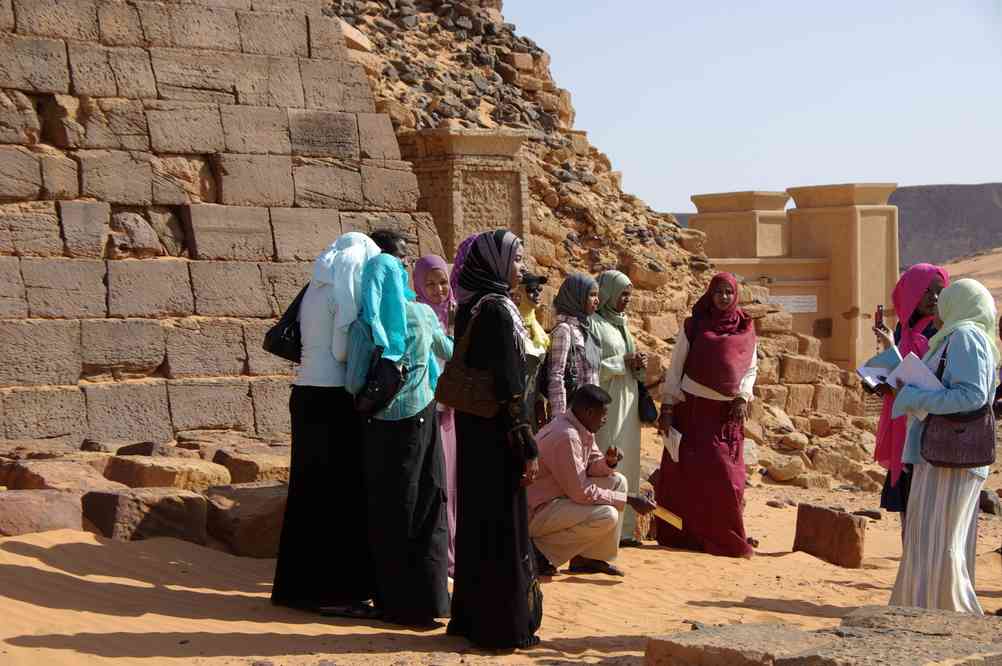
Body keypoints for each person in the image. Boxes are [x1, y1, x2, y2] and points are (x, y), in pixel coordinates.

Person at [272, 232, 381, 618]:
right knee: (339, 499)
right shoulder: (342, 291)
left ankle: (296, 588)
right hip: (334, 398)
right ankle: (336, 593)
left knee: (308, 494)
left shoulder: (313, 289)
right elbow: (341, 350)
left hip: (306, 394)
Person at [447, 229, 543, 650]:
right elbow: (509, 385)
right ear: (497, 263)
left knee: (478, 521)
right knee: (505, 524)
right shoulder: (500, 310)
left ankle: (473, 618)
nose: (521, 267)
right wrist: (525, 444)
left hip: (475, 428)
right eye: (517, 259)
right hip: (499, 432)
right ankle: (503, 627)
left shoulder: (470, 305)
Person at [346, 251, 453, 627]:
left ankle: (394, 601)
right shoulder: (423, 314)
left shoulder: (365, 325)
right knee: (428, 505)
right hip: (423, 419)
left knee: (390, 511)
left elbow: (353, 382)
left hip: (383, 426)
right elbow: (448, 351)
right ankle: (431, 599)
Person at [888, 279, 999, 614]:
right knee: (927, 542)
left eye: (944, 298)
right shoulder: (954, 336)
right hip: (938, 455)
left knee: (939, 544)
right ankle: (922, 613)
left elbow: (972, 396)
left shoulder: (965, 336)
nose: (936, 306)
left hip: (951, 458)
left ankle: (952, 617)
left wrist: (915, 395)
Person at [655, 273, 757, 559]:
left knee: (729, 482)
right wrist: (667, 407)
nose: (723, 297)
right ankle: (682, 536)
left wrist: (742, 396)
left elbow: (751, 368)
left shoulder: (746, 328)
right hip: (694, 411)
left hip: (726, 417)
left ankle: (727, 540)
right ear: (710, 295)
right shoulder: (695, 325)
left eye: (728, 292)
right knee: (686, 480)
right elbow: (676, 368)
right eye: (718, 293)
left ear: (735, 294)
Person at [528, 385, 656, 577]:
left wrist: (608, 463)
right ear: (588, 412)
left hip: (558, 499)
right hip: (536, 512)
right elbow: (581, 492)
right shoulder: (567, 436)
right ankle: (539, 553)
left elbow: (590, 467)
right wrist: (629, 500)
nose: (605, 420)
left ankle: (588, 558)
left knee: (618, 481)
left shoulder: (580, 425)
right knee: (607, 515)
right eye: (603, 414)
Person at [870, 264, 948, 540]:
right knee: (908, 504)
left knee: (928, 508)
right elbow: (903, 378)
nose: (934, 298)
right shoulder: (904, 330)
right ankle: (910, 568)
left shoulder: (942, 333)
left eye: (939, 292)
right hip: (903, 424)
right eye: (926, 291)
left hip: (930, 428)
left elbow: (930, 384)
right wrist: (881, 382)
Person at [591, 270, 647, 546]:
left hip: (629, 400)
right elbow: (591, 367)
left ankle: (625, 531)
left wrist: (637, 365)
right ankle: (604, 527)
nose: (627, 300)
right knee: (607, 456)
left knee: (629, 461)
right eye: (622, 294)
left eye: (629, 295)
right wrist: (621, 361)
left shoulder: (622, 324)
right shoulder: (595, 324)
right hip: (607, 401)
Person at [413, 254, 459, 578]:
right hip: (430, 406)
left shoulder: (454, 315)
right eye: (429, 284)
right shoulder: (418, 316)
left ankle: (452, 552)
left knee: (453, 483)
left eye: (442, 282)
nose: (438, 289)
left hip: (451, 411)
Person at [547, 273, 601, 417]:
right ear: (576, 297)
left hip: (588, 415)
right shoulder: (564, 330)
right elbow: (556, 376)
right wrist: (559, 419)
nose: (597, 301)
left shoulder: (584, 329)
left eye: (597, 295)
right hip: (572, 415)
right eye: (592, 295)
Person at [514, 272, 550, 430]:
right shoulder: (512, 325)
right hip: (513, 407)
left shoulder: (539, 331)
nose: (536, 294)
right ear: (519, 293)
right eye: (531, 289)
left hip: (532, 407)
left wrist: (540, 401)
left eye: (539, 290)